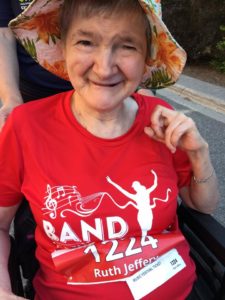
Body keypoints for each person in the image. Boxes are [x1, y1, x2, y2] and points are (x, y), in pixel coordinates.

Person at [0, 0, 219, 299]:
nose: (104, 68)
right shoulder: (26, 126)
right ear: (63, 48)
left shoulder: (161, 118)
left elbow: (202, 207)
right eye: (86, 41)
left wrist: (198, 154)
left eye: (127, 45)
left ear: (146, 59)